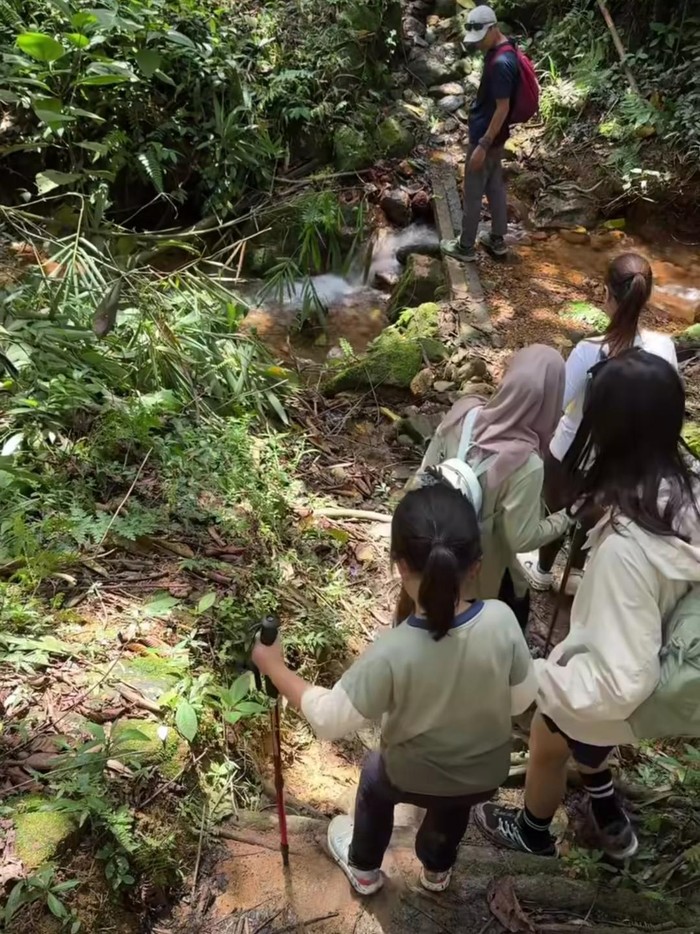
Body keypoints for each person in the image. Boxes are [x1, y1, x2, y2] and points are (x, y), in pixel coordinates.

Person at [252, 483, 537, 896]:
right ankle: (437, 868)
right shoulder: (502, 620)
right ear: (476, 565)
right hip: (483, 774)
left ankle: (365, 868)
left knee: (374, 774)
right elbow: (522, 699)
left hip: (409, 775)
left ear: (399, 566)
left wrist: (275, 667)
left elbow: (329, 719)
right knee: (455, 798)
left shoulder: (391, 652)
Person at [475, 349, 700, 860]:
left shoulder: (625, 552)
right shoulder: (685, 481)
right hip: (666, 649)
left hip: (637, 679)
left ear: (610, 433)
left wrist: (537, 678)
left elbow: (621, 683)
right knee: (569, 726)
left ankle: (533, 831)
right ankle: (606, 809)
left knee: (551, 724)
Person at [519, 252, 679, 595]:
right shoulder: (663, 348)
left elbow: (557, 405)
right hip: (625, 462)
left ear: (606, 294)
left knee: (557, 510)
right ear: (646, 296)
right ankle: (574, 573)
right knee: (593, 514)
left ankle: (544, 570)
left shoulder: (590, 351)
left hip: (571, 456)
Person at [410, 344, 573, 630]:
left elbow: (424, 471)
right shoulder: (526, 463)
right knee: (512, 605)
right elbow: (521, 539)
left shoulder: (464, 411)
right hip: (481, 572)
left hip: (429, 541)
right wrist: (567, 516)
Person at [441, 5, 518, 263]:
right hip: (497, 136)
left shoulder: (500, 63)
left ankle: (465, 247)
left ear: (493, 28)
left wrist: (482, 145)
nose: (478, 45)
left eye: (481, 38)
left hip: (487, 136)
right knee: (495, 186)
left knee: (473, 190)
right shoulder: (506, 49)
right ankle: (497, 240)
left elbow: (503, 107)